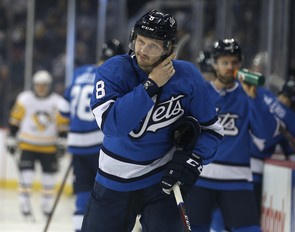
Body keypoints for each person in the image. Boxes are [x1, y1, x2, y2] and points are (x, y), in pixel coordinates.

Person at [81, 9, 223, 232]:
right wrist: (151, 86)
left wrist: (193, 159)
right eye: (140, 41)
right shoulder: (114, 70)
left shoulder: (188, 76)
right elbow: (113, 126)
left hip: (162, 182)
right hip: (113, 180)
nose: (142, 51)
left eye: (153, 45)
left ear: (169, 50)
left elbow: (212, 130)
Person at [186, 38, 261, 232]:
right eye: (224, 62)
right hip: (200, 175)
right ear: (215, 64)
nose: (230, 67)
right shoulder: (200, 92)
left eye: (234, 62)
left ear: (241, 63)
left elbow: (264, 133)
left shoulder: (249, 94)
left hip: (237, 178)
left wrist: (255, 99)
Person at [58, 39, 125, 231]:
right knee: (107, 192)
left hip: (76, 143)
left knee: (82, 191)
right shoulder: (114, 75)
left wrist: (64, 136)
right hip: (99, 144)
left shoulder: (79, 73)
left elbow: (63, 110)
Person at [6, 70, 68, 217]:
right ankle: (24, 205)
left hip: (49, 147)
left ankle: (46, 207)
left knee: (48, 180)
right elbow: (15, 120)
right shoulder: (25, 99)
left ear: (49, 85)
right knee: (26, 177)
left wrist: (62, 141)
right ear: (34, 85)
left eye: (44, 85)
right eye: (38, 85)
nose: (41, 88)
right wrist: (11, 139)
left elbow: (62, 125)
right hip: (28, 145)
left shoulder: (57, 102)